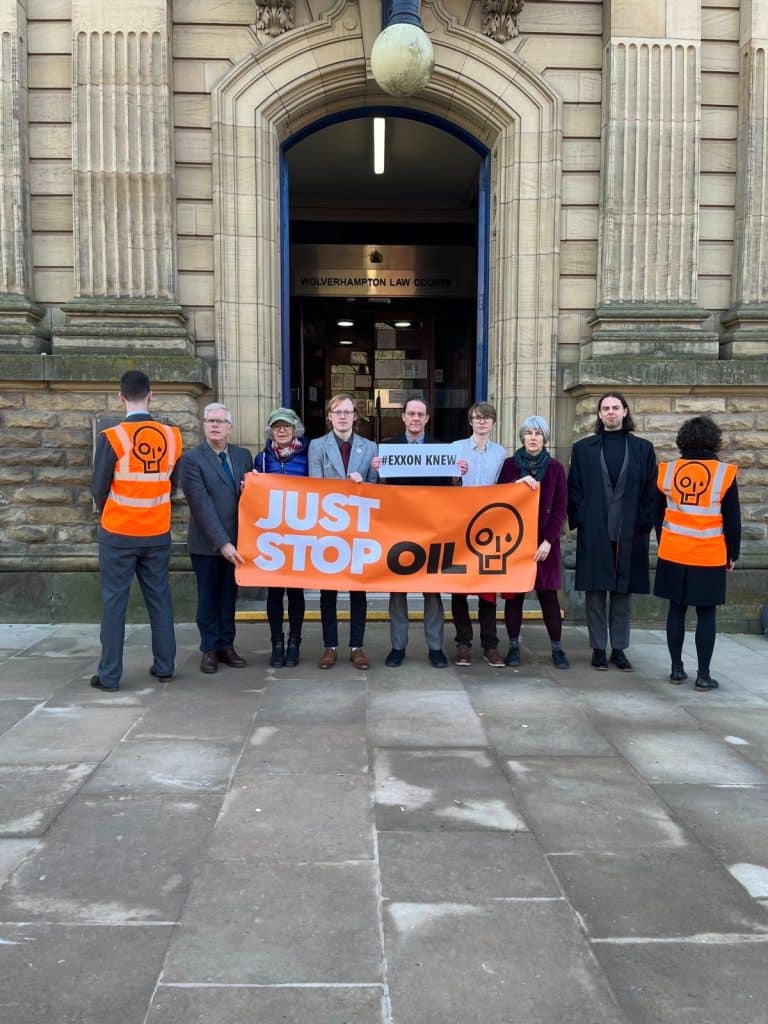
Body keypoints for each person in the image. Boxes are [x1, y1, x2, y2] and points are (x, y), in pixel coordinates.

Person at [90, 369, 182, 692]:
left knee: (114, 602)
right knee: (160, 597)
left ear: (121, 397)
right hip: (157, 531)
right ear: (150, 395)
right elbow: (173, 483)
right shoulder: (172, 436)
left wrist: (113, 511)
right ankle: (165, 666)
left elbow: (98, 487)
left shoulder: (112, 437)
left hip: (118, 531)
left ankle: (109, 675)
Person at [567, 391, 656, 671]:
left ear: (625, 411)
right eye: (605, 408)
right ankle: (598, 648)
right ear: (599, 414)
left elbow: (650, 490)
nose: (610, 412)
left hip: (629, 531)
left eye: (616, 407)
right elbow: (574, 488)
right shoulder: (583, 449)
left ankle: (618, 649)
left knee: (622, 592)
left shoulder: (643, 448)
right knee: (595, 592)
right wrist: (582, 519)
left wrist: (643, 524)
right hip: (595, 530)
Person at [654, 415, 740, 691]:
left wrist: (665, 541)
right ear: (714, 440)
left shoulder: (667, 471)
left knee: (675, 610)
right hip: (709, 553)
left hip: (673, 551)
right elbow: (732, 520)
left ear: (683, 440)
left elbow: (658, 514)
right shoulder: (724, 473)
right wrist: (733, 553)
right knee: (706, 614)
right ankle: (703, 675)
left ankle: (676, 669)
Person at [372, 396, 450, 669]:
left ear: (427, 418)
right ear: (403, 417)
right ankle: (398, 647)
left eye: (420, 414)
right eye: (411, 414)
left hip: (431, 530)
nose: (415, 418)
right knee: (397, 591)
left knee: (432, 591)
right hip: (397, 530)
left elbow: (450, 493)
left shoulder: (441, 450)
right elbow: (379, 492)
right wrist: (377, 474)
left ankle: (436, 648)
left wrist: (458, 474)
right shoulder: (388, 449)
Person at [179, 402, 253, 675]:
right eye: (209, 421)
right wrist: (223, 543)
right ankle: (209, 649)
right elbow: (201, 506)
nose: (214, 425)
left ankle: (226, 645)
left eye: (219, 421)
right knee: (208, 598)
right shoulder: (191, 460)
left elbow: (250, 498)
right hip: (207, 544)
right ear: (203, 426)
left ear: (229, 428)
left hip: (238, 541)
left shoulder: (243, 456)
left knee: (228, 596)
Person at [308, 393, 378, 670]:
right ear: (329, 416)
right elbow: (315, 486)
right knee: (328, 591)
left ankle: (357, 647)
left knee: (358, 591)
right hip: (329, 527)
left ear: (355, 416)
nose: (342, 416)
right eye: (337, 412)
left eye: (347, 412)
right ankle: (330, 646)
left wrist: (364, 484)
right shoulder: (317, 446)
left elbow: (377, 488)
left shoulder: (370, 447)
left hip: (359, 527)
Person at [496, 416, 569, 669]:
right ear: (522, 437)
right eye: (529, 433)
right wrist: (515, 484)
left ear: (545, 438)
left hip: (544, 543)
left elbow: (560, 508)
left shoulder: (556, 468)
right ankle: (513, 646)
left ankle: (557, 648)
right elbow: (499, 498)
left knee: (549, 596)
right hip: (515, 542)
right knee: (514, 597)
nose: (533, 437)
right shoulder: (509, 466)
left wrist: (548, 541)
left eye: (538, 433)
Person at [450, 401, 506, 667]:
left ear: (493, 423)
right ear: (470, 421)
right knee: (459, 588)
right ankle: (463, 643)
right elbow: (443, 486)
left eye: (487, 418)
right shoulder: (455, 448)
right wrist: (453, 475)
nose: (482, 422)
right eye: (477, 417)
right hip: (459, 525)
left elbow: (505, 488)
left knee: (487, 589)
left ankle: (490, 644)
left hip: (488, 527)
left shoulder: (501, 453)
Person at [254, 407, 310, 667]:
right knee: (274, 593)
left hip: (299, 535)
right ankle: (276, 642)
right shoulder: (261, 460)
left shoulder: (308, 456)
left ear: (295, 429)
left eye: (286, 426)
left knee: (296, 592)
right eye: (277, 427)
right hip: (273, 536)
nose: (282, 430)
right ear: (271, 431)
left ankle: (294, 642)